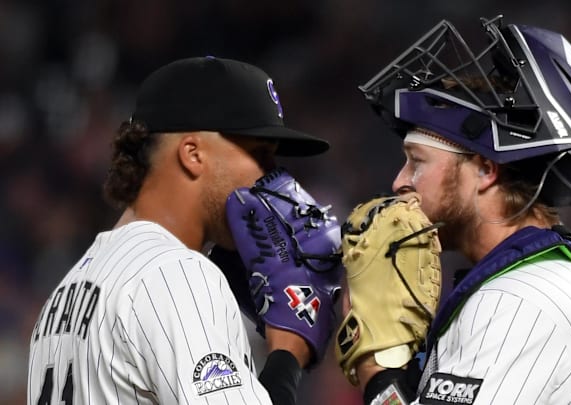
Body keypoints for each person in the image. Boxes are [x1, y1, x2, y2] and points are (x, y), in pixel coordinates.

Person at [345, 15, 571, 404]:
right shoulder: (554, 275)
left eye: (417, 161)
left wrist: (378, 370)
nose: (399, 182)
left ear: (486, 169)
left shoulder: (517, 301)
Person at [26, 56, 341, 405]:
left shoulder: (65, 294)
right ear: (193, 154)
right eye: (260, 155)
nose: (274, 177)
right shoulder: (177, 273)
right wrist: (286, 355)